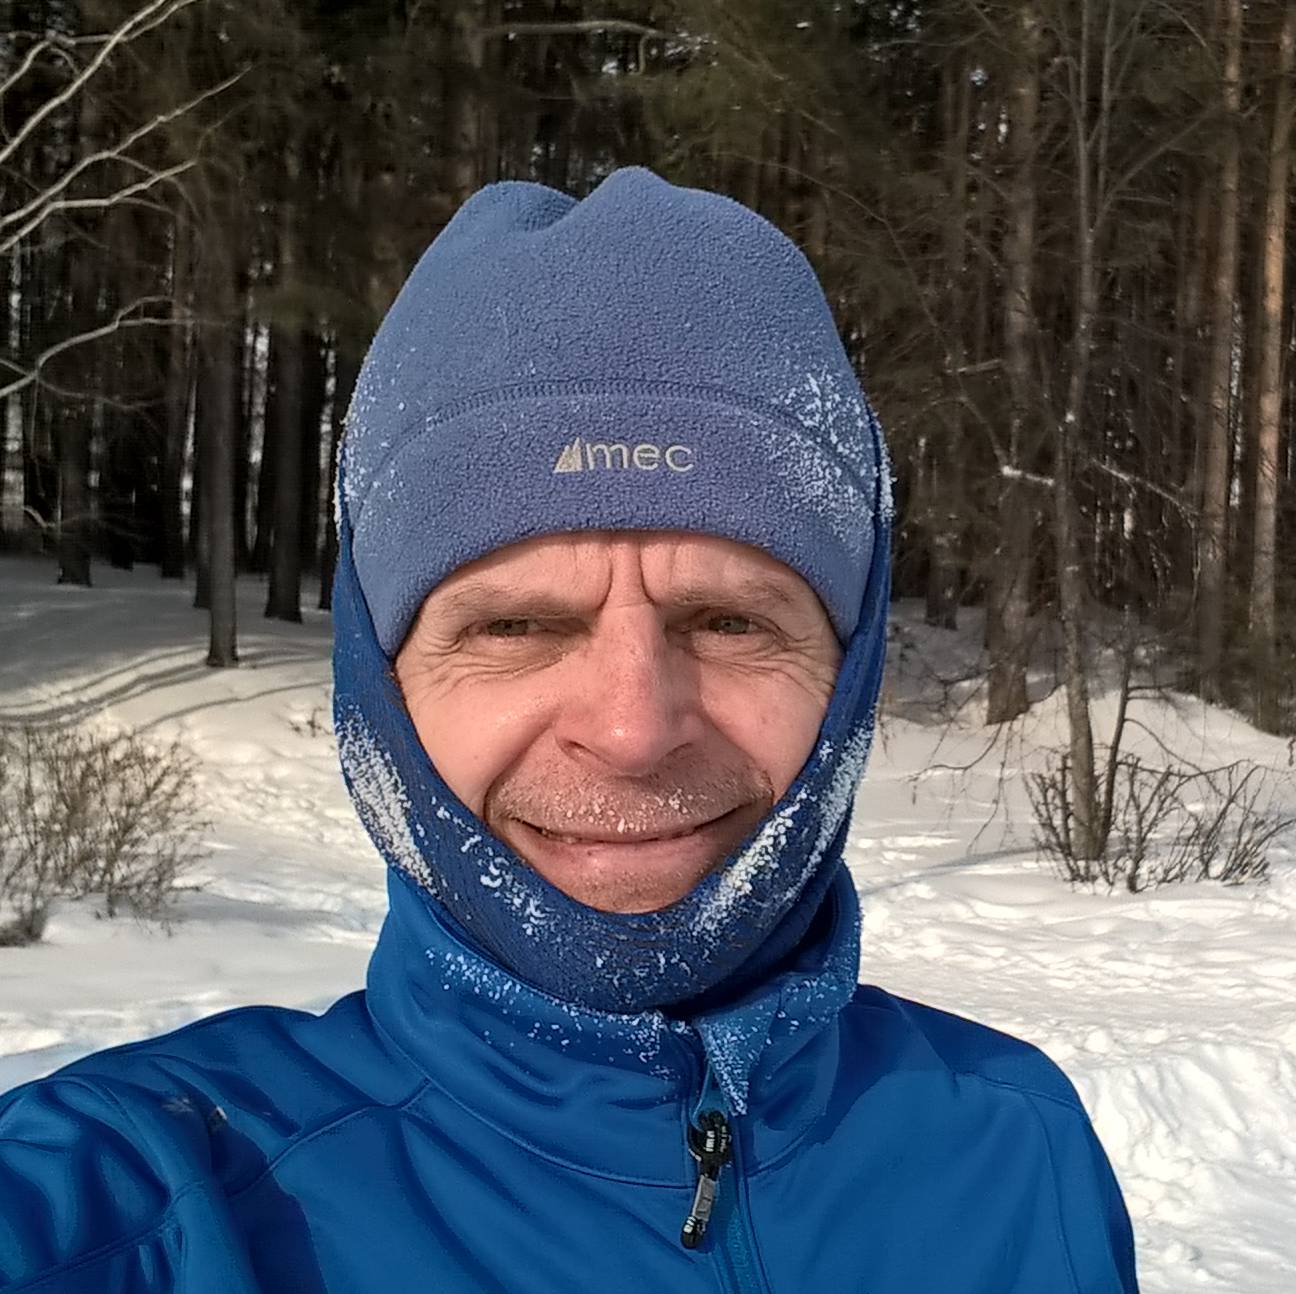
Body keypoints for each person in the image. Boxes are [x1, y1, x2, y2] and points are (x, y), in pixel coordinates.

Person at [0, 168, 1138, 1293]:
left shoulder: (1017, 1150)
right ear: (380, 686)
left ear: (849, 671)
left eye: (730, 621)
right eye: (515, 625)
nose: (634, 730)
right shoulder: (143, 1210)